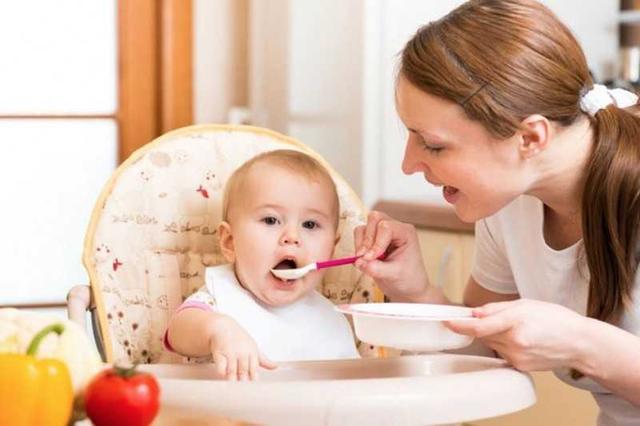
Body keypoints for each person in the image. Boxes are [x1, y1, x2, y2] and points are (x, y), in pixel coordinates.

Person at [354, 1, 640, 424]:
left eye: (433, 144)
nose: (409, 164)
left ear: (530, 138)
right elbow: (484, 345)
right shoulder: (510, 200)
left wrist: (581, 342)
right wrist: (414, 290)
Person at [166, 149, 359, 381]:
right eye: (271, 220)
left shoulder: (331, 321)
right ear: (230, 242)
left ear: (332, 249)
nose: (292, 236)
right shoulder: (218, 301)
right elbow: (177, 332)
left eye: (310, 224)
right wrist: (218, 330)